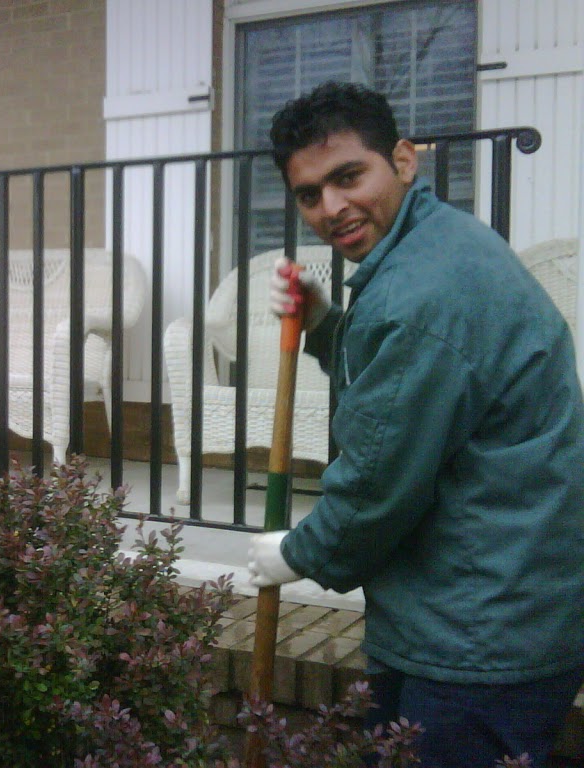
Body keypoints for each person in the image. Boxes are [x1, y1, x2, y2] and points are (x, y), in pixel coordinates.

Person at [246, 81, 584, 767]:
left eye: (348, 176)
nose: (330, 207)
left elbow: (377, 486)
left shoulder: (419, 295)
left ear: (403, 159)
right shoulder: (437, 246)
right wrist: (322, 323)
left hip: (480, 635)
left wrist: (297, 553)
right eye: (309, 194)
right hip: (481, 607)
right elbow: (410, 381)